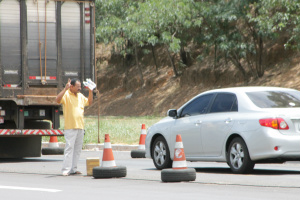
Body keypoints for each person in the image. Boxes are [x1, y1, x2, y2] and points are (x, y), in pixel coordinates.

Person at [56, 78, 93, 176]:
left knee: (77, 149)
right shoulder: (67, 95)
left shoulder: (80, 96)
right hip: (70, 127)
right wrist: (65, 89)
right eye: (78, 87)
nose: (79, 88)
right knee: (69, 148)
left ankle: (73, 169)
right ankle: (66, 169)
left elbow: (89, 102)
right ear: (71, 86)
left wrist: (90, 91)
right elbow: (57, 100)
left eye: (80, 86)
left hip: (80, 126)